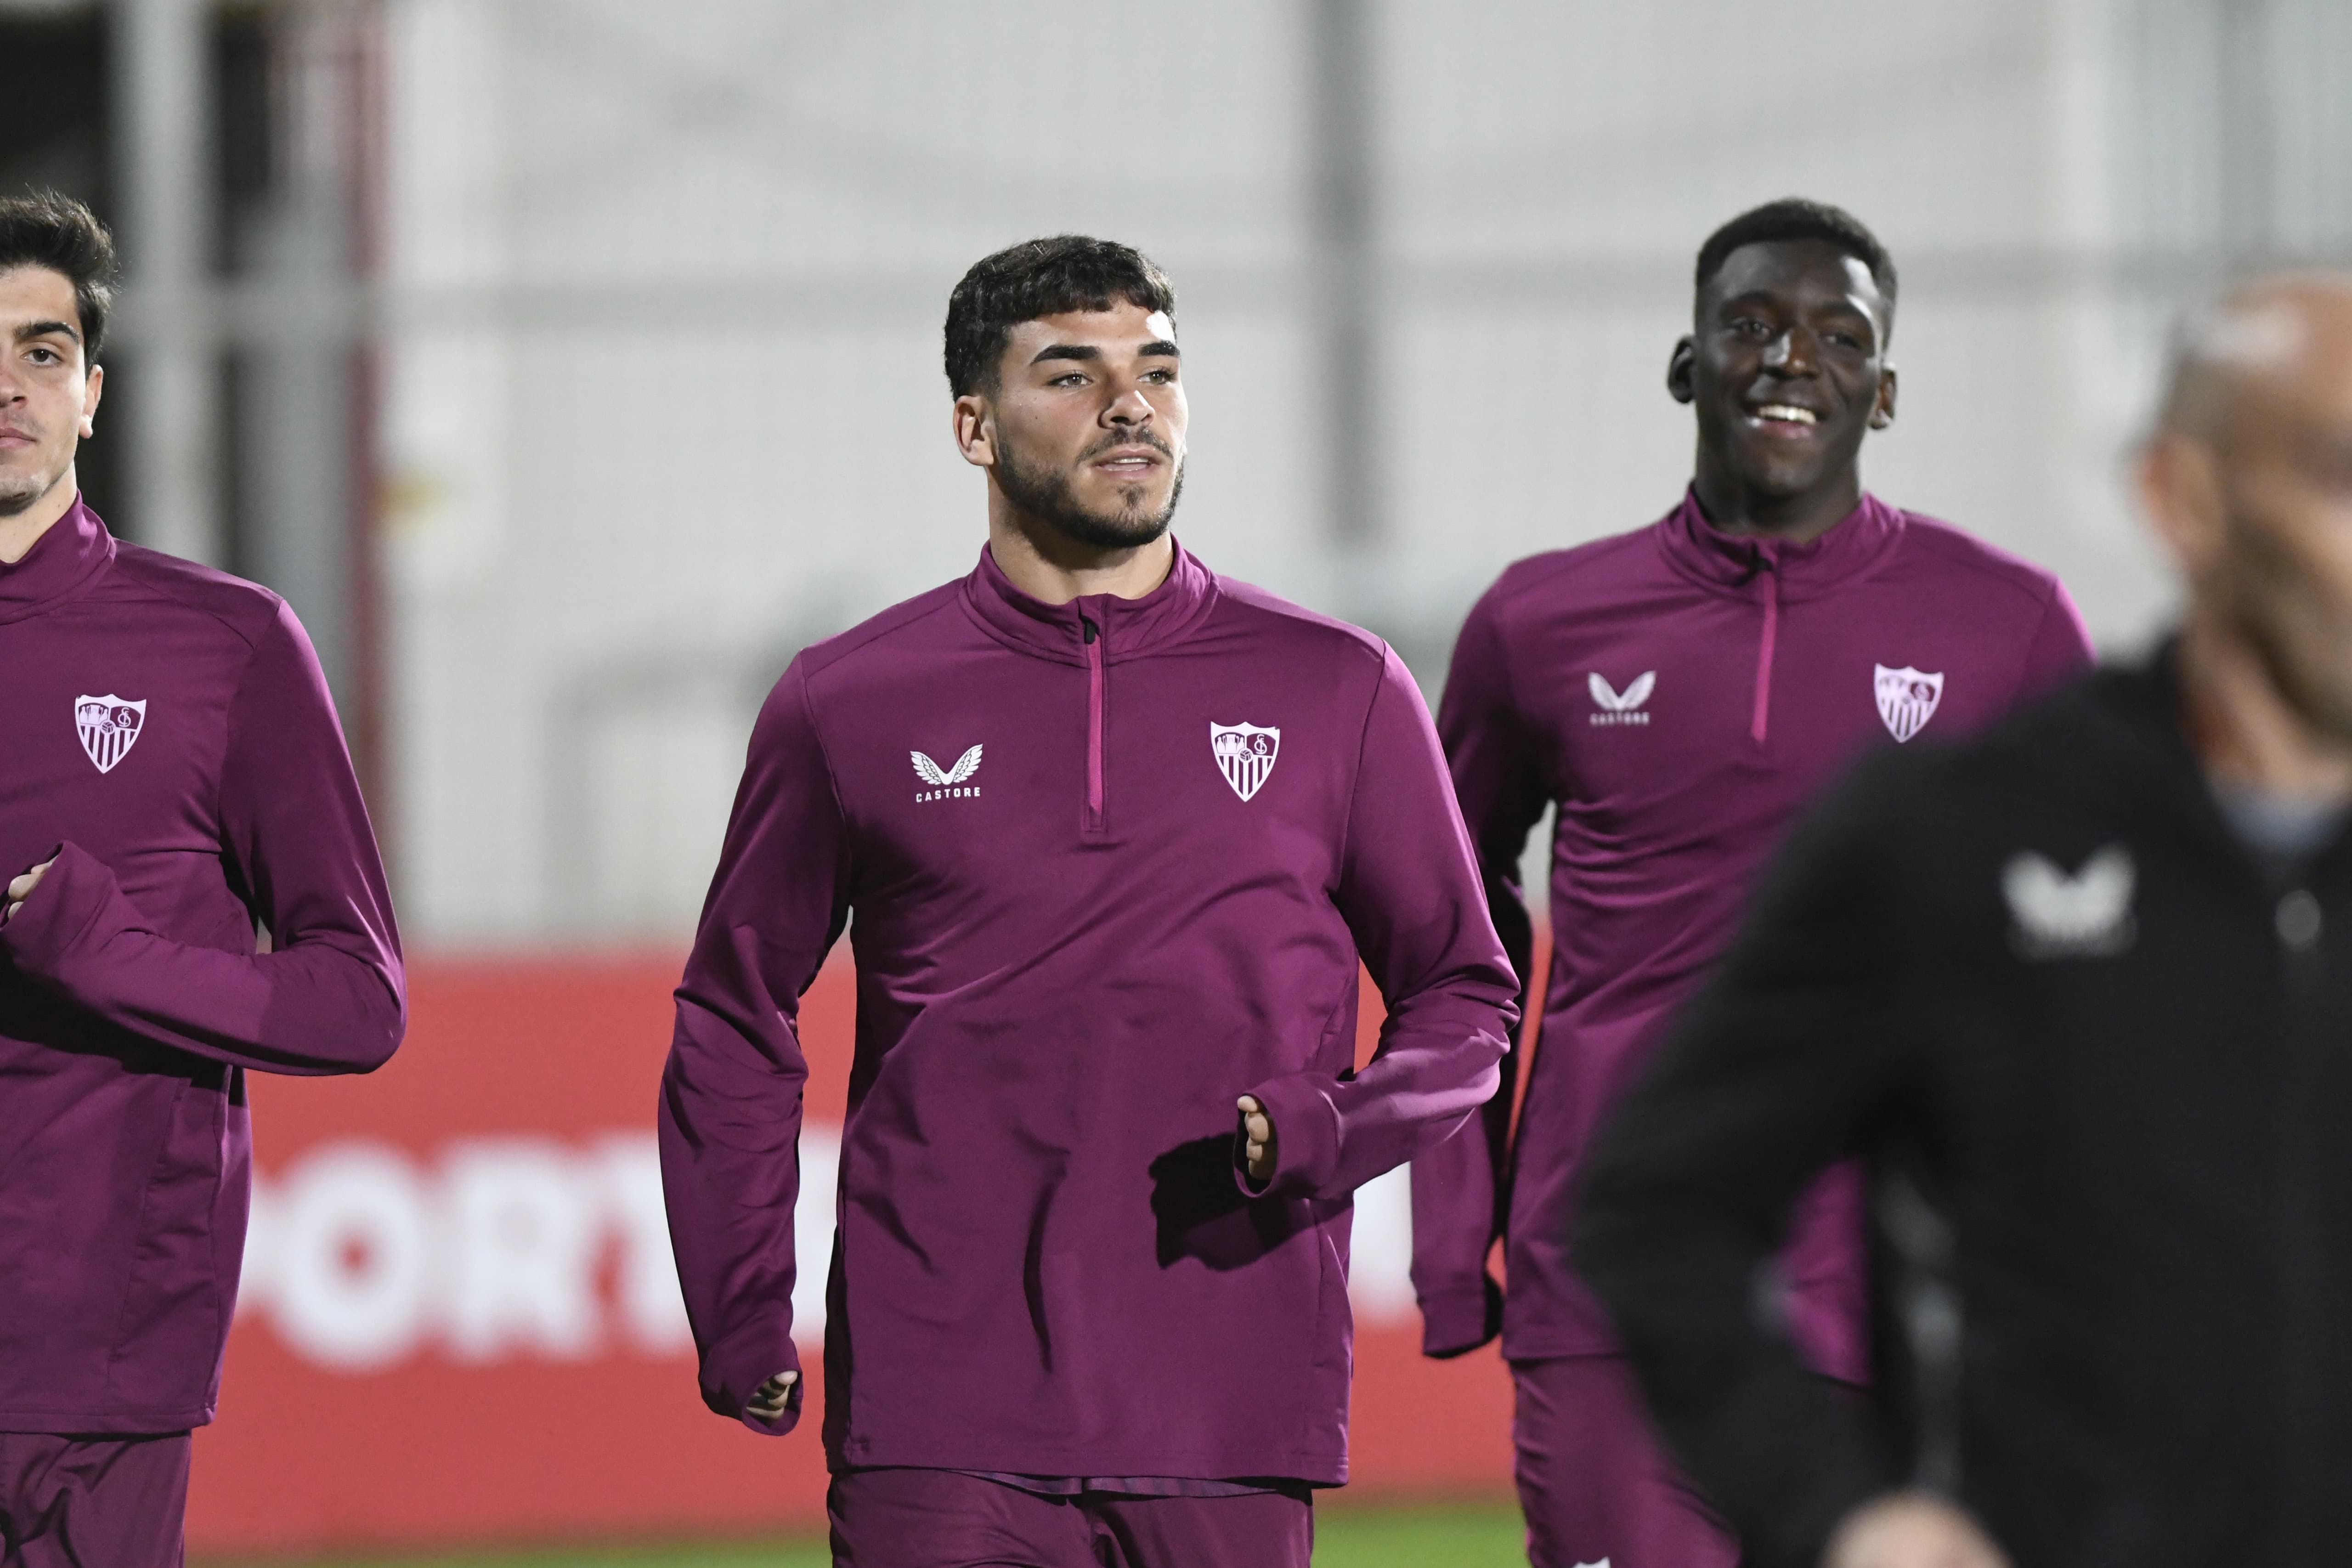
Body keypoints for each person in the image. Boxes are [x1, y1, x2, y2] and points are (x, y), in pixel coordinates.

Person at [658, 235, 1517, 1568]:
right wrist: (740, 1299)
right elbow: (733, 1012)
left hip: (1231, 1397)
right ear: (974, 426)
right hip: (937, 1400)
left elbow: (1466, 999)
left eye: (1158, 371)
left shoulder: (1339, 689)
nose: (1133, 405)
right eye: (1072, 373)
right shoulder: (850, 699)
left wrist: (1332, 1126)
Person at [1572, 271, 2352, 1568]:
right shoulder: (1952, 840)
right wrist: (1845, 1514)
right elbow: (1663, 1212)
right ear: (2185, 501)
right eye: (2339, 475)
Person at [1406, 198, 2093, 1568]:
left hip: (1904, 1291)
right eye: (1754, 326)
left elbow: (2103, 939)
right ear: (1688, 363)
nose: (1793, 359)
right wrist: (1452, 1236)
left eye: (1839, 336)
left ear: (1884, 391)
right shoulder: (1540, 622)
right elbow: (1444, 923)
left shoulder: (2008, 624)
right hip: (1617, 1280)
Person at [0, 192, 403, 1563]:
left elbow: (358, 1003)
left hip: (97, 1354)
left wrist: (93, 945)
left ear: (94, 394)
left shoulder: (223, 645)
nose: (10, 383)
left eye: (43, 351)